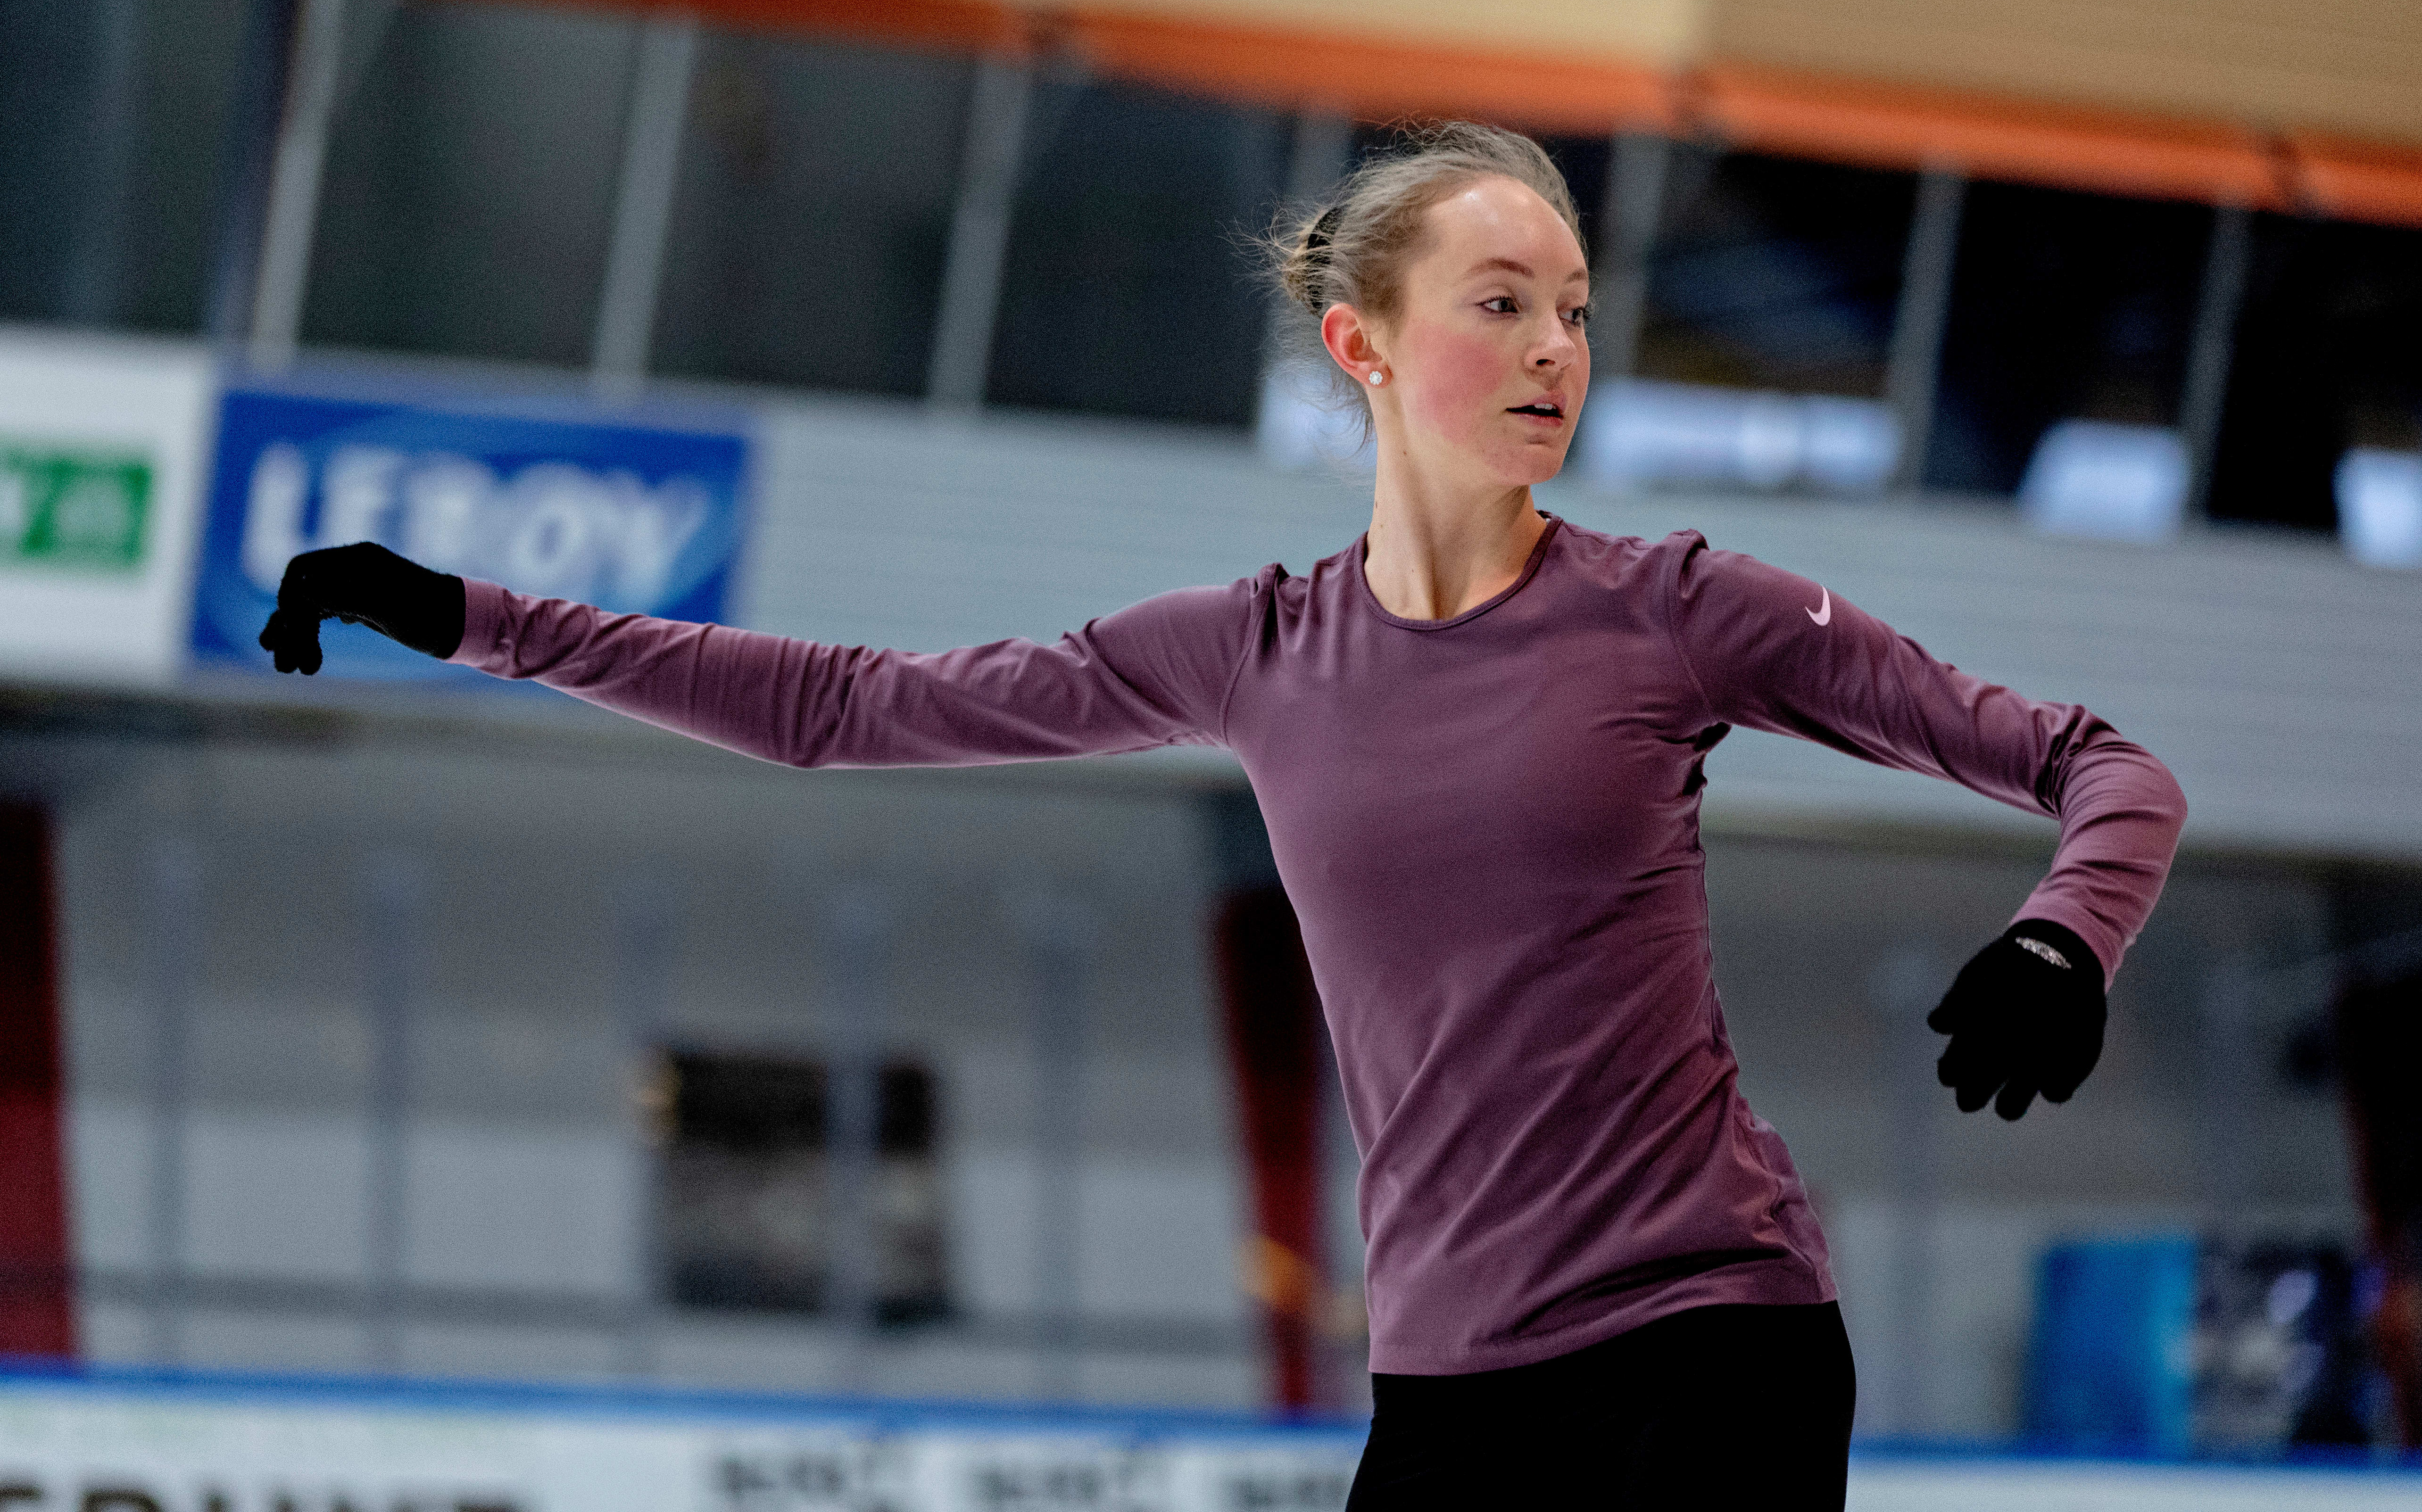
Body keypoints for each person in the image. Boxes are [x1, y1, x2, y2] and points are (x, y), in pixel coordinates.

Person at [260, 123, 2187, 1507]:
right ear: (1365, 346)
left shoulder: (1682, 610)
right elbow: (847, 709)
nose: (1556, 351)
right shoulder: (1253, 650)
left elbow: (2109, 767)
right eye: (1501, 305)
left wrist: (2062, 939)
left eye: (1576, 312)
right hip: (1448, 1386)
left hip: (1710, 1349)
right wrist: (470, 617)